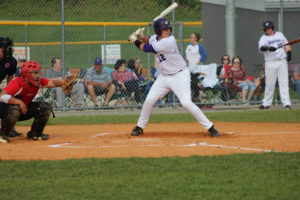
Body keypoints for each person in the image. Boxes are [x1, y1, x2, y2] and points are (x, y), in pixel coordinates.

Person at [129, 18, 219, 137]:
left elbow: (146, 48)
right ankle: (140, 127)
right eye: (164, 29)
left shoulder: (169, 41)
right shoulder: (156, 38)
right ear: (158, 31)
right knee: (149, 99)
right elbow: (147, 40)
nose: (167, 31)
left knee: (186, 103)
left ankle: (211, 128)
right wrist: (140, 36)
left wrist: (135, 41)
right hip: (164, 76)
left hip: (179, 76)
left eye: (168, 29)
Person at [0, 60, 72, 143]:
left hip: (22, 110)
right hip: (5, 110)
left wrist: (63, 83)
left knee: (45, 107)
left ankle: (35, 134)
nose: (37, 75)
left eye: (37, 72)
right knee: (16, 107)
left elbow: (52, 82)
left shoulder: (37, 82)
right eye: (33, 73)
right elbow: (1, 96)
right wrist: (19, 102)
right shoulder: (18, 82)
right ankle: (3, 135)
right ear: (26, 74)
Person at [258, 20, 292, 110]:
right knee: (269, 84)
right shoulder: (263, 38)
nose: (268, 30)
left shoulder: (280, 35)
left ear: (272, 28)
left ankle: (286, 103)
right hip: (270, 62)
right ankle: (266, 103)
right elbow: (261, 47)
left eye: (269, 28)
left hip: (282, 61)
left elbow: (287, 45)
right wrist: (269, 48)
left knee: (284, 82)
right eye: (266, 29)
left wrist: (288, 53)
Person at [0, 37, 22, 137]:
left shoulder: (11, 61)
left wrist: (9, 92)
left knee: (10, 101)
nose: (7, 50)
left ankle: (8, 129)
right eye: (4, 48)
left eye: (8, 47)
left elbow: (10, 77)